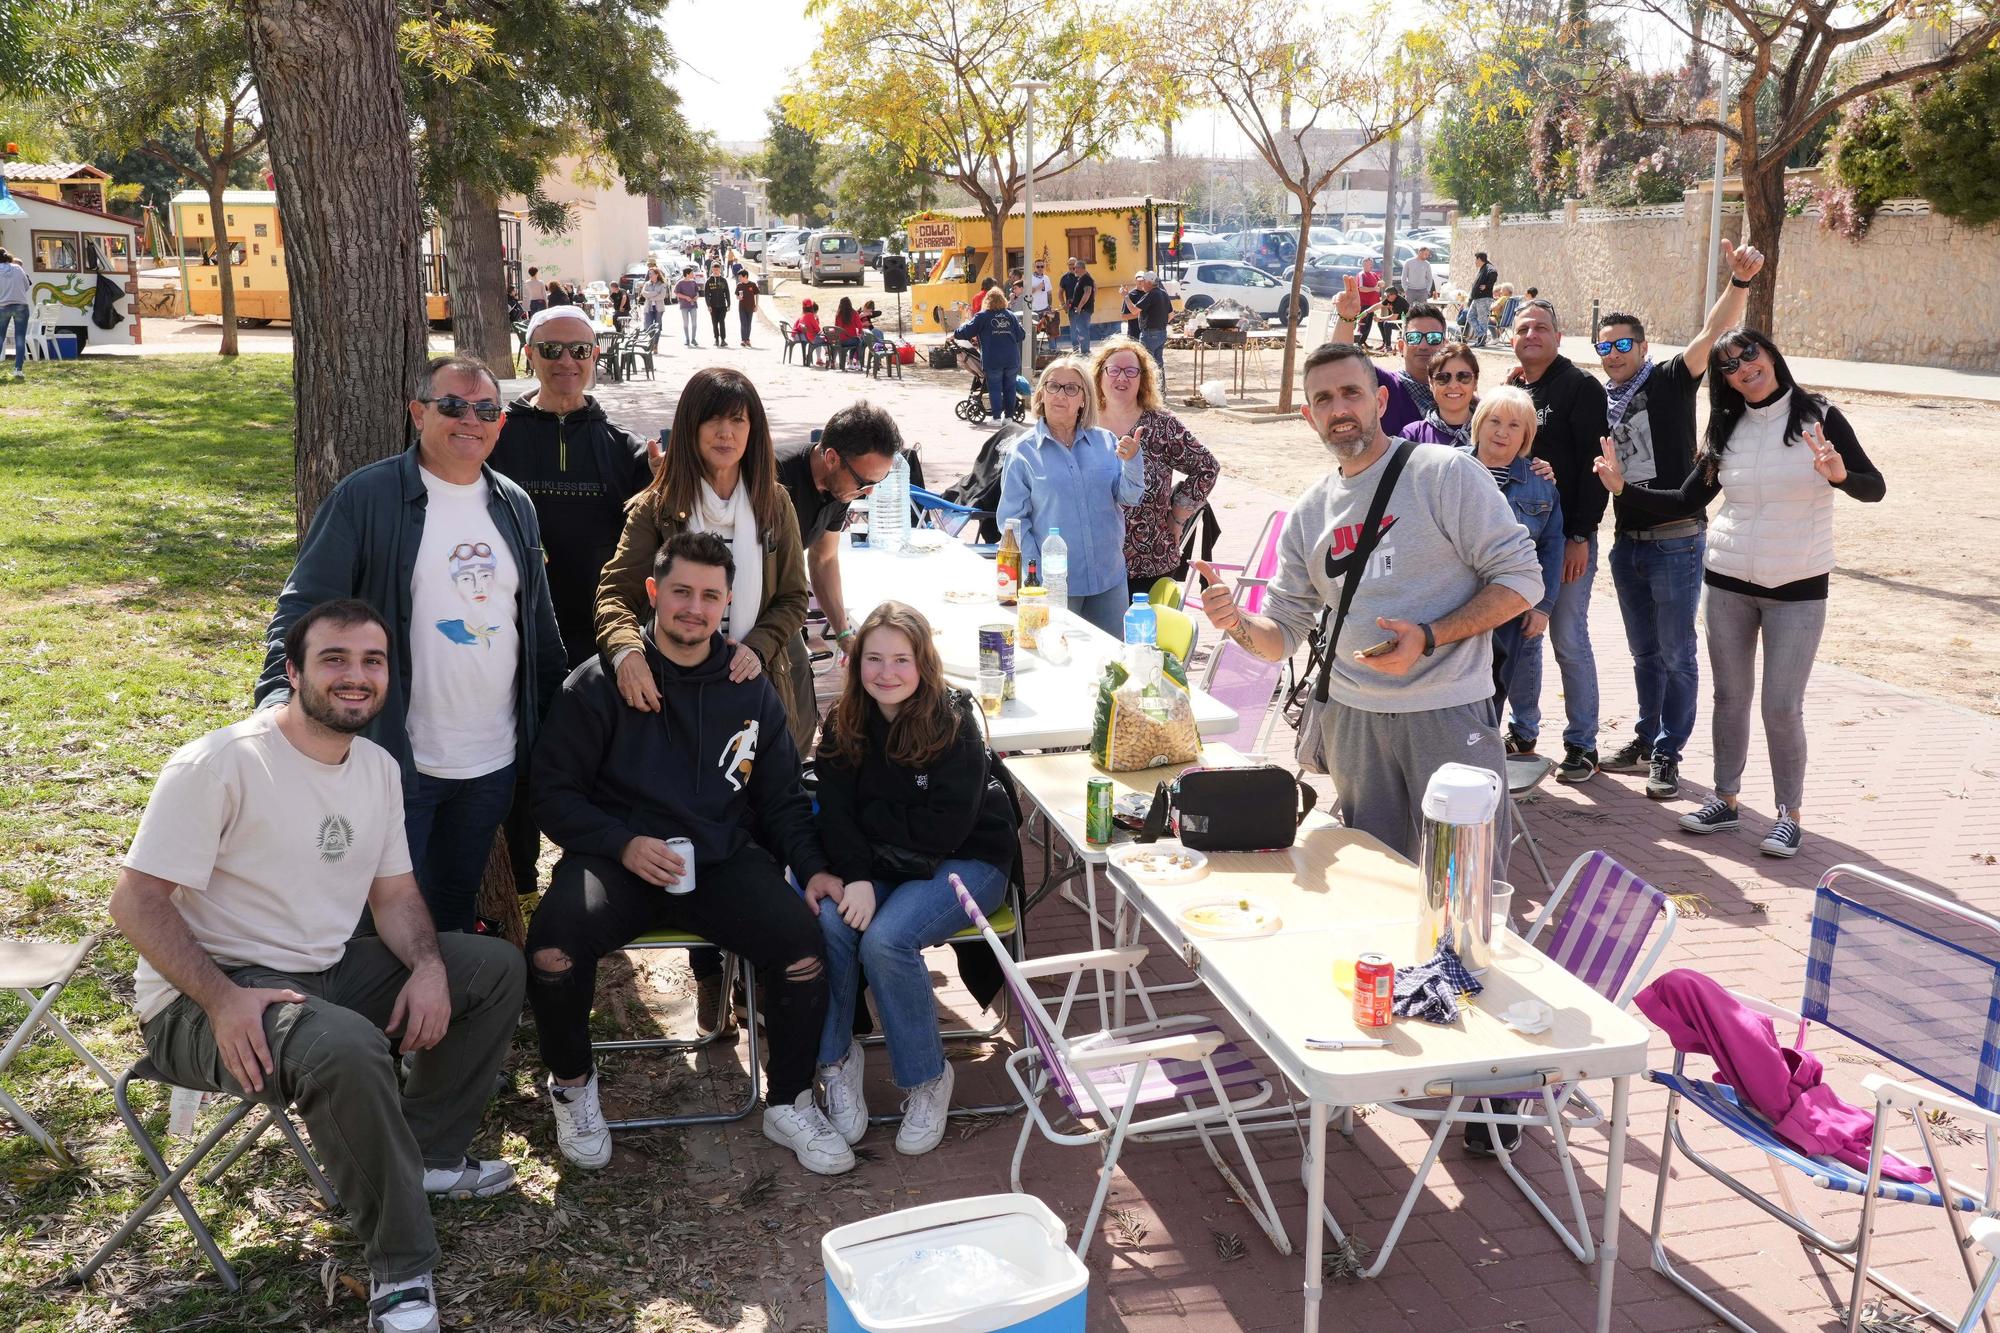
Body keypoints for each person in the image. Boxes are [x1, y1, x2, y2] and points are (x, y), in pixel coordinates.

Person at [113, 600, 525, 1333]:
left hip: (321, 975)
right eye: (334, 658)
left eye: (372, 661)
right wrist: (219, 997)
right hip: (198, 1000)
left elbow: (396, 896)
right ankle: (400, 1269)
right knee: (346, 1046)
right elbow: (136, 902)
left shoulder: (376, 768)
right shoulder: (221, 762)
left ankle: (423, 1157)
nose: (356, 676)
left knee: (490, 967)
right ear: (293, 670)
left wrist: (428, 964)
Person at [529, 531, 855, 1174]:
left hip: (718, 859)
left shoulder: (747, 684)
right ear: (653, 592)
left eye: (710, 596)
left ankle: (788, 1101)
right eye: (681, 592)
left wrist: (814, 869)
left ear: (727, 604)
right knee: (552, 952)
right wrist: (621, 843)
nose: (694, 608)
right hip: (616, 859)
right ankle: (572, 1087)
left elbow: (784, 796)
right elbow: (550, 795)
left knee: (802, 949)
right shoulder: (599, 683)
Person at [1189, 342, 1542, 857]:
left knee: (1469, 881)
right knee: (1379, 880)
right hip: (1354, 722)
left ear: (1379, 400)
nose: (1340, 409)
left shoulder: (1444, 473)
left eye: (1351, 393)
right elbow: (1282, 635)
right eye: (1325, 399)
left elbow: (1523, 579)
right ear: (1310, 417)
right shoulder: (1310, 511)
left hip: (1446, 711)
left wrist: (1430, 636)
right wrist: (1236, 623)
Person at [256, 355, 566, 934]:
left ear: (501, 423)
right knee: (377, 923)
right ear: (418, 412)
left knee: (448, 913)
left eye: (485, 410)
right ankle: (377, 1024)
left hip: (491, 763)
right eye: (452, 406)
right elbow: (305, 606)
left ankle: (440, 1019)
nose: (469, 419)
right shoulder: (366, 498)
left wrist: (558, 725)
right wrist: (278, 698)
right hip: (396, 758)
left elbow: (538, 631)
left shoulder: (514, 505)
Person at [1595, 328, 1885, 859]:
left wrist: (1841, 476)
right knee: (1729, 699)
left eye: (1749, 353)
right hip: (1728, 581)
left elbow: (1875, 486)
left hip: (1798, 585)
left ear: (1771, 354)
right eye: (1728, 365)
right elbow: (1687, 499)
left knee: (1781, 705)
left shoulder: (1819, 416)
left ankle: (1787, 815)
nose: (1742, 367)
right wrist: (1622, 488)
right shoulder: (1726, 427)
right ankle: (1725, 800)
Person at [810, 601, 1017, 1156]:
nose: (886, 672)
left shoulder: (954, 718)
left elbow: (944, 829)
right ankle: (836, 1061)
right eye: (873, 659)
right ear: (855, 665)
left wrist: (865, 821)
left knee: (887, 938)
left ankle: (927, 1079)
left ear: (924, 663)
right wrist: (855, 871)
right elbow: (832, 812)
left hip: (967, 860)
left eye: (901, 659)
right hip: (879, 865)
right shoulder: (844, 721)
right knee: (831, 922)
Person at [1595, 240, 1765, 800]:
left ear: (1642, 347)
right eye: (1605, 346)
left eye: (1623, 344)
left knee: (1675, 653)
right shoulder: (1605, 399)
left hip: (1675, 541)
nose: (1614, 353)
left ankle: (1669, 750)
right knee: (1644, 652)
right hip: (1628, 543)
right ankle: (1647, 739)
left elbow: (1713, 333)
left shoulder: (1669, 378)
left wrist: (1738, 283)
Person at [594, 366, 816, 752]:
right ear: (690, 427)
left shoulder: (775, 504)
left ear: (753, 430)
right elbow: (614, 594)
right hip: (675, 686)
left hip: (755, 682)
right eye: (712, 418)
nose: (725, 432)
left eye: (737, 420)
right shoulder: (656, 507)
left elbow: (795, 597)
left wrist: (759, 646)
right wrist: (626, 652)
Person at [1505, 298, 1609, 780]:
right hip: (1519, 544)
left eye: (1542, 327)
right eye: (1523, 327)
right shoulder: (1512, 388)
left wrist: (1580, 534)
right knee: (1524, 638)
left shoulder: (1580, 387)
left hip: (1565, 539)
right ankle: (1523, 732)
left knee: (1567, 636)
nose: (1532, 335)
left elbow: (1594, 467)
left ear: (1558, 337)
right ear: (1512, 337)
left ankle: (1582, 744)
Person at [998, 356, 1145, 636]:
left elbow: (1129, 497)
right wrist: (1037, 574)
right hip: (1055, 584)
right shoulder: (1023, 452)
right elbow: (1012, 523)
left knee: (1111, 664)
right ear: (1041, 394)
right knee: (1058, 660)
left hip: (1108, 578)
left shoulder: (1106, 442)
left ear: (1084, 399)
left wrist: (1133, 461)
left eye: (1071, 389)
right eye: (1053, 386)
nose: (1060, 395)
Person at [1090, 336, 1219, 599]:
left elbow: (1206, 467)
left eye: (1131, 371)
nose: (1122, 378)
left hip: (1148, 560)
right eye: (1113, 370)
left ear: (1143, 379)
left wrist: (1179, 515)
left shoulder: (1162, 426)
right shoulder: (1083, 424)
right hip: (1090, 562)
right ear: (1100, 375)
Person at [1467, 388, 1563, 724]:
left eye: (1514, 425)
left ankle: (1483, 754)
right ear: (1479, 423)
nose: (1501, 432)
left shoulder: (1540, 485)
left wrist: (1542, 606)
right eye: (1494, 421)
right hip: (1451, 604)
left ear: (1526, 435)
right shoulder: (1448, 469)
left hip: (1507, 610)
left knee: (1494, 689)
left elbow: (1550, 550)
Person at [1331, 291, 1450, 435]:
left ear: (1446, 346)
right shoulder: (1385, 384)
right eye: (1414, 337)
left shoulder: (1459, 391)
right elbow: (1343, 365)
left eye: (1433, 337)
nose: (1423, 345)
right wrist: (1346, 318)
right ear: (1401, 346)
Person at [953, 290, 1025, 421]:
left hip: (993, 359)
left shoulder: (982, 316)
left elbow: (966, 331)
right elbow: (1021, 335)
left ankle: (996, 418)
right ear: (1003, 300)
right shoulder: (1010, 315)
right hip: (1011, 358)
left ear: (987, 301)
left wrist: (955, 333)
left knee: (995, 388)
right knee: (1010, 387)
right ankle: (1009, 417)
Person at [1399, 340, 1480, 449]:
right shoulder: (1412, 436)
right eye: (1443, 377)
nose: (1453, 385)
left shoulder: (1491, 434)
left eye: (1463, 376)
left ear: (1475, 382)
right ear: (1431, 383)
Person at [1121, 271, 1175, 371]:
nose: (1142, 285)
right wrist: (1160, 323)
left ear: (1149, 283)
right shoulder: (1163, 293)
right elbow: (1171, 315)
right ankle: (1161, 386)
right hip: (1162, 333)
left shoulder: (1150, 295)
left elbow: (1133, 310)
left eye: (1144, 282)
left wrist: (1125, 296)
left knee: (1146, 365)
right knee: (1158, 364)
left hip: (1150, 334)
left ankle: (1151, 386)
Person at [0, 247, 28, 381]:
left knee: (0, 337)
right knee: (20, 338)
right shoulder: (18, 268)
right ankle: (18, 369)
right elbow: (26, 285)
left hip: (3, 306)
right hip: (21, 306)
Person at [1060, 255, 1097, 354]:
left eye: (1075, 267)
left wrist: (1080, 307)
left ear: (1081, 268)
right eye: (1072, 267)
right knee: (1077, 330)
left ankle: (1085, 351)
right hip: (1076, 309)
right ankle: (1079, 351)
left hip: (1083, 310)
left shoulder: (1086, 278)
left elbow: (1088, 292)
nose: (1074, 269)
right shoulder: (1080, 278)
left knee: (1083, 330)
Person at [1468, 252, 1499, 346]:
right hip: (1477, 299)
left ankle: (1481, 340)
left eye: (1476, 260)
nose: (1475, 262)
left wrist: (1487, 285)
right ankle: (1481, 334)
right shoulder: (1483, 268)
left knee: (1482, 320)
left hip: (1484, 299)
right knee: (1470, 316)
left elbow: (1494, 273)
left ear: (1480, 259)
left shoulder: (1489, 267)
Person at [703, 263, 731, 347]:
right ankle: (716, 339)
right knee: (714, 323)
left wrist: (729, 304)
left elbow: (727, 293)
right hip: (713, 306)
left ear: (720, 270)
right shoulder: (709, 281)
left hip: (722, 306)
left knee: (722, 322)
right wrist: (708, 305)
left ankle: (723, 339)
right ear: (712, 269)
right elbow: (707, 295)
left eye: (717, 269)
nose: (716, 271)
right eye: (714, 269)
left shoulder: (723, 280)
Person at [830, 296, 862, 371]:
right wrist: (860, 333)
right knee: (858, 341)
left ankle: (850, 362)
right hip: (849, 339)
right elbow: (859, 325)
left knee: (855, 340)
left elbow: (836, 327)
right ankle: (856, 363)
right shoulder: (853, 313)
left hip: (840, 341)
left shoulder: (838, 314)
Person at [673, 267, 702, 347]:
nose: (693, 274)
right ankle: (687, 339)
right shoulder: (680, 283)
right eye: (692, 273)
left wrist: (697, 296)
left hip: (693, 305)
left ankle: (693, 339)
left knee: (694, 324)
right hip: (684, 306)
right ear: (687, 274)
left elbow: (697, 292)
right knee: (686, 324)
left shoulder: (693, 282)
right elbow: (676, 293)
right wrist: (685, 297)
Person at [641, 265, 669, 333]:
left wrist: (650, 297)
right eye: (649, 273)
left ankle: (655, 342)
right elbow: (644, 293)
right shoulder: (647, 284)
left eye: (652, 274)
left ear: (656, 275)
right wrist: (655, 293)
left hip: (658, 308)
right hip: (648, 307)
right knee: (648, 327)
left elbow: (662, 296)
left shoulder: (662, 284)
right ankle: (651, 341)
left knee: (657, 327)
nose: (650, 275)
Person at [735, 270, 759, 348]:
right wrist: (739, 297)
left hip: (751, 307)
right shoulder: (739, 285)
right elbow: (737, 296)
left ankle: (747, 339)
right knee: (743, 323)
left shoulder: (752, 284)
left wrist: (756, 305)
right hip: (742, 307)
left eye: (740, 276)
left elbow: (757, 294)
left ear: (745, 276)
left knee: (749, 324)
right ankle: (743, 339)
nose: (739, 278)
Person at [1027, 257, 1052, 327]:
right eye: (1038, 266)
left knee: (1049, 330)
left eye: (1042, 266)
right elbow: (1027, 293)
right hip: (1034, 310)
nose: (1040, 268)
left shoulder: (1046, 278)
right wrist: (1038, 287)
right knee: (1035, 331)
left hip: (1045, 308)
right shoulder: (1030, 278)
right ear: (1034, 267)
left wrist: (1050, 306)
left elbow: (1049, 293)